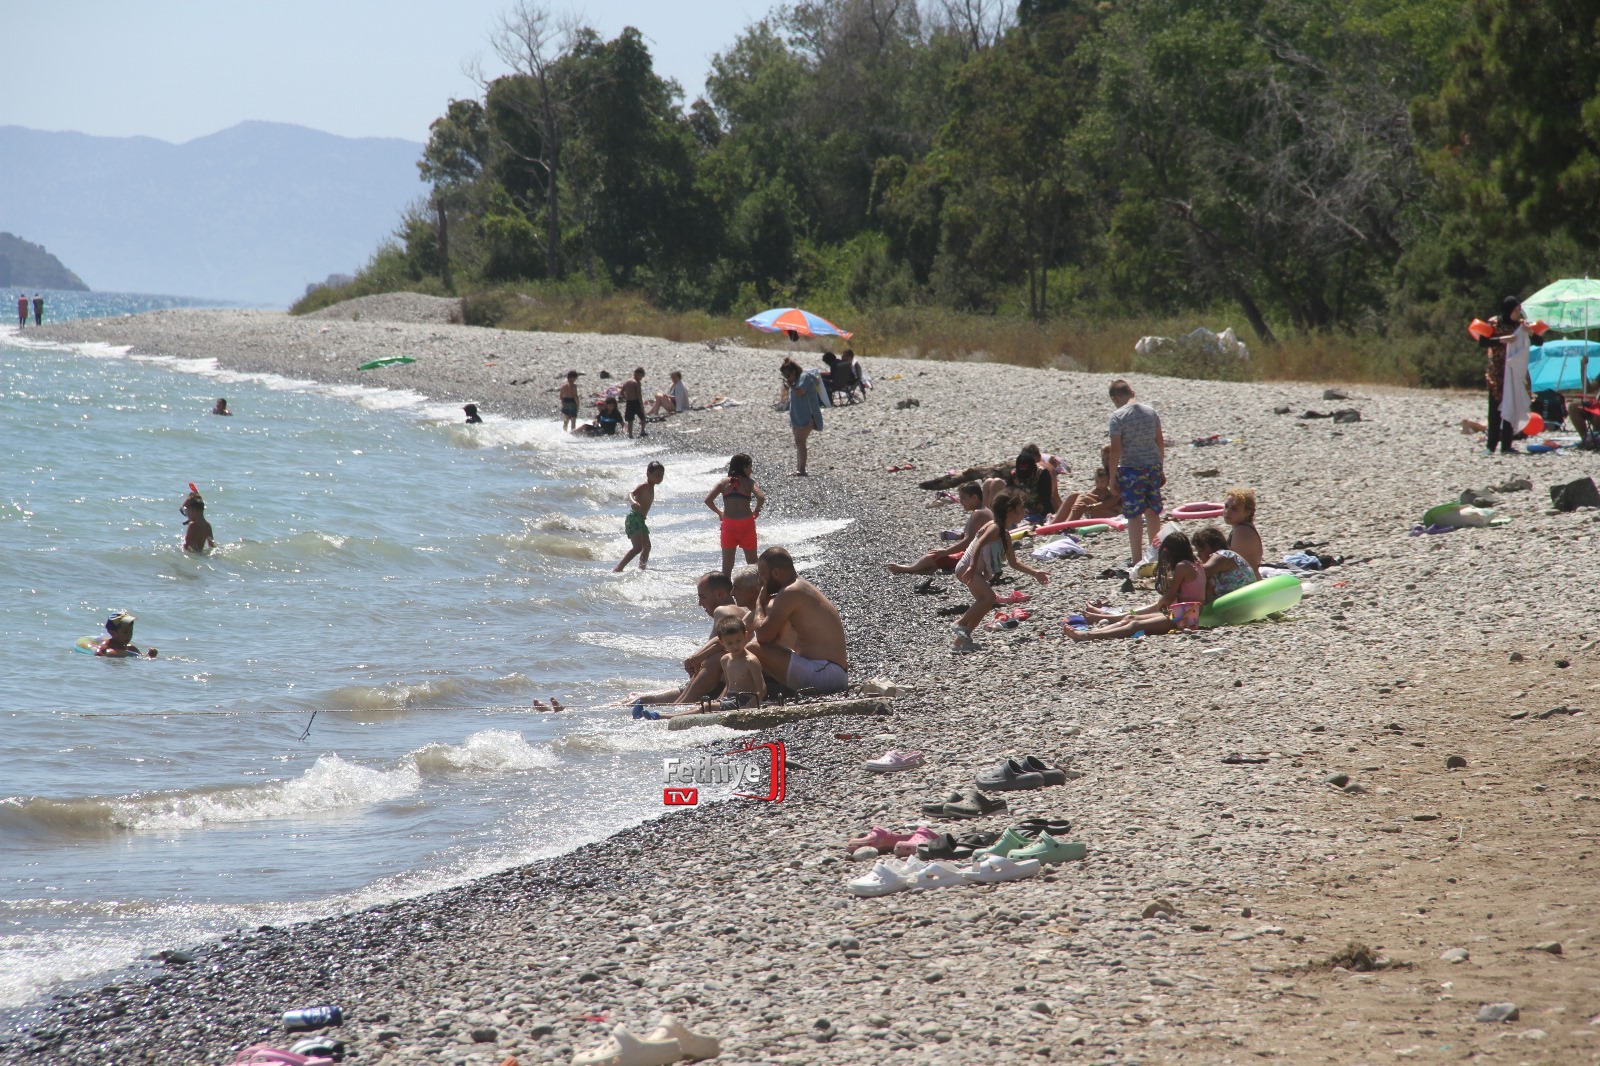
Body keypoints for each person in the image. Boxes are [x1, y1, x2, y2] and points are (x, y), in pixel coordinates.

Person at [634, 569, 762, 707]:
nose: (699, 603)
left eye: (702, 596)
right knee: (639, 698)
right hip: (721, 679)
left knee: (641, 700)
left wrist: (697, 658)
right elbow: (722, 641)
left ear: (719, 594)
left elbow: (724, 642)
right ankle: (674, 707)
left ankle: (677, 708)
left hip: (727, 679)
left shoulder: (724, 610)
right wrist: (697, 657)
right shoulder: (747, 612)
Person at [950, 491, 1050, 651]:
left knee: (986, 603)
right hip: (967, 568)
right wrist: (972, 566)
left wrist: (1035, 572)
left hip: (971, 569)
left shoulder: (1004, 533)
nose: (1025, 511)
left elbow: (1014, 562)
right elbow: (977, 544)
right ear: (1010, 510)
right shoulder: (994, 527)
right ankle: (960, 624)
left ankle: (960, 642)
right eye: (1022, 508)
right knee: (988, 597)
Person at [1067, 531, 1203, 642]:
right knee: (1131, 618)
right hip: (1187, 612)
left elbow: (1168, 598)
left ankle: (1089, 636)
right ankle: (1092, 632)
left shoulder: (1182, 567)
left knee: (1135, 624)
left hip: (1185, 617)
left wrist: (1160, 603)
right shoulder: (1196, 564)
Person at [751, 546, 849, 693]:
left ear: (776, 573)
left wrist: (759, 604)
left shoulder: (790, 592)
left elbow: (763, 636)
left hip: (825, 674)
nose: (760, 581)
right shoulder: (801, 586)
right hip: (833, 672)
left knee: (752, 648)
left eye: (762, 575)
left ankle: (747, 695)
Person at [1107, 378, 1166, 565]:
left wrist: (1111, 477)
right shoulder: (1150, 412)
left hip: (1130, 468)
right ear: (1133, 393)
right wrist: (1160, 466)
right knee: (1153, 511)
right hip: (1152, 466)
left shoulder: (1117, 416)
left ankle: (1137, 559)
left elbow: (1115, 449)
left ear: (1115, 398)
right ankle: (1155, 555)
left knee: (1133, 514)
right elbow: (1159, 441)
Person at [887, 482, 991, 574]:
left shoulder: (978, 514)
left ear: (974, 498)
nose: (960, 501)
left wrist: (946, 551)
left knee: (933, 556)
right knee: (938, 554)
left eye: (963, 498)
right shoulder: (984, 510)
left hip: (977, 557)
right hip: (982, 554)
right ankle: (930, 567)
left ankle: (908, 569)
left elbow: (969, 541)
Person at [1485, 296, 1532, 454]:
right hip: (1497, 372)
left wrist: (1530, 332)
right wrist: (1501, 340)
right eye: (1516, 310)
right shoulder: (1494, 323)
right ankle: (1490, 446)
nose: (1518, 313)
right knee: (1495, 410)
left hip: (1514, 372)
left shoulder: (1520, 326)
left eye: (1520, 310)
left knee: (1512, 406)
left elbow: (1539, 340)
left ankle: (1507, 445)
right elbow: (1483, 341)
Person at [706, 452, 765, 577]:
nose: (752, 470)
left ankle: (725, 593)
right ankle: (758, 592)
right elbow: (761, 497)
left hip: (729, 526)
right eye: (750, 467)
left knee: (727, 567)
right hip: (746, 525)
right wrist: (757, 510)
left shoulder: (723, 483)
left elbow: (708, 500)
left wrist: (720, 513)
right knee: (753, 563)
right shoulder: (749, 482)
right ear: (743, 467)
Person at [780, 357, 827, 476]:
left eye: (788, 376)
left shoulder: (804, 377)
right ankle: (799, 468)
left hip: (808, 415)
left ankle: (802, 470)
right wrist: (789, 385)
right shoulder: (796, 380)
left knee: (800, 441)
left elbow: (799, 391)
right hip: (797, 415)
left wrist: (790, 386)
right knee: (799, 442)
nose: (787, 379)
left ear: (794, 372)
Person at [613, 461, 664, 572]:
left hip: (641, 521)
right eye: (657, 475)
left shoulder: (651, 487)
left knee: (647, 547)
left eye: (661, 475)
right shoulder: (645, 486)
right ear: (648, 474)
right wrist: (633, 502)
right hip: (634, 519)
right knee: (638, 548)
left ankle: (642, 569)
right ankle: (618, 568)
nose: (660, 478)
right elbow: (631, 493)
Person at [714, 616, 766, 708]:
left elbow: (762, 690)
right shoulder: (725, 660)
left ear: (745, 636)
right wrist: (718, 700)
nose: (735, 646)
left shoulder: (750, 661)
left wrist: (749, 706)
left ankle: (679, 718)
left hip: (744, 700)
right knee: (705, 706)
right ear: (721, 642)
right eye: (729, 643)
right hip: (730, 699)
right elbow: (728, 686)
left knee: (705, 707)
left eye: (738, 641)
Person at [1192, 525, 1256, 599]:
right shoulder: (1217, 569)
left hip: (1244, 599)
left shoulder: (1223, 555)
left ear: (1215, 546)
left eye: (1201, 550)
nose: (1198, 555)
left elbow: (1201, 573)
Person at [1056, 450, 1120, 522]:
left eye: (1108, 459)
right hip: (1101, 508)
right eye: (1103, 459)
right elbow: (1095, 493)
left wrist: (1089, 507)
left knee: (1083, 498)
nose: (1105, 462)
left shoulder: (1118, 476)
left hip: (1115, 513)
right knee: (1074, 495)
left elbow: (1111, 502)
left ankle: (1067, 526)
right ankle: (1053, 525)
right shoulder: (1106, 474)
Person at [1222, 487, 1263, 577]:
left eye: (1234, 509)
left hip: (1248, 583)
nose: (1227, 512)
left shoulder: (1242, 532)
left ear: (1247, 512)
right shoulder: (1245, 528)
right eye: (1226, 506)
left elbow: (1240, 567)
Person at [620, 367, 648, 439]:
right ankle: (642, 431)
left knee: (630, 419)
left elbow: (621, 393)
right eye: (642, 376)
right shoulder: (636, 382)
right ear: (637, 375)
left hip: (629, 402)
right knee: (642, 417)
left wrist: (626, 399)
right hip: (636, 401)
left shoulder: (627, 382)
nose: (642, 378)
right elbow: (638, 394)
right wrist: (641, 404)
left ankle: (630, 434)